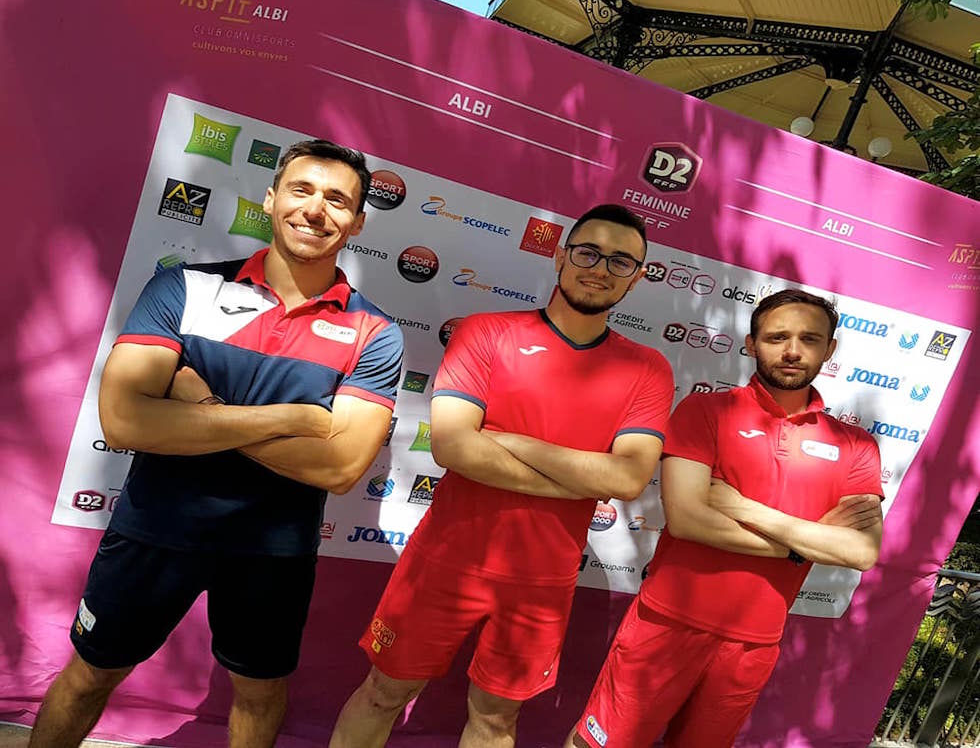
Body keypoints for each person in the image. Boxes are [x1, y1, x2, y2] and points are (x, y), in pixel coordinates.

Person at [30, 140, 404, 748]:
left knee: (259, 693)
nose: (316, 209)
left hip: (273, 553)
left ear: (358, 222)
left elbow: (338, 467)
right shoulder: (183, 288)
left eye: (338, 200)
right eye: (302, 190)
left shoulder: (376, 332)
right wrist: (294, 418)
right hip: (154, 529)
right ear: (271, 199)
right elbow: (124, 421)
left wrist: (200, 406)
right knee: (90, 676)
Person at [329, 204, 675, 748]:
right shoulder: (486, 332)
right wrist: (581, 477)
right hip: (444, 562)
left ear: (636, 277)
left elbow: (629, 479)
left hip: (542, 583)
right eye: (588, 252)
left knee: (495, 722)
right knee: (381, 694)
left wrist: (508, 441)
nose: (600, 269)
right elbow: (453, 446)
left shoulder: (647, 368)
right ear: (560, 256)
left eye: (620, 261)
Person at [567, 288, 884, 748]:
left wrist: (742, 507)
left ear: (829, 349)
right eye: (776, 337)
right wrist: (808, 542)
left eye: (809, 339)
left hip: (755, 643)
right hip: (666, 624)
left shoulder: (856, 446)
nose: (792, 351)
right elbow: (688, 519)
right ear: (751, 344)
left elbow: (861, 551)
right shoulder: (706, 411)